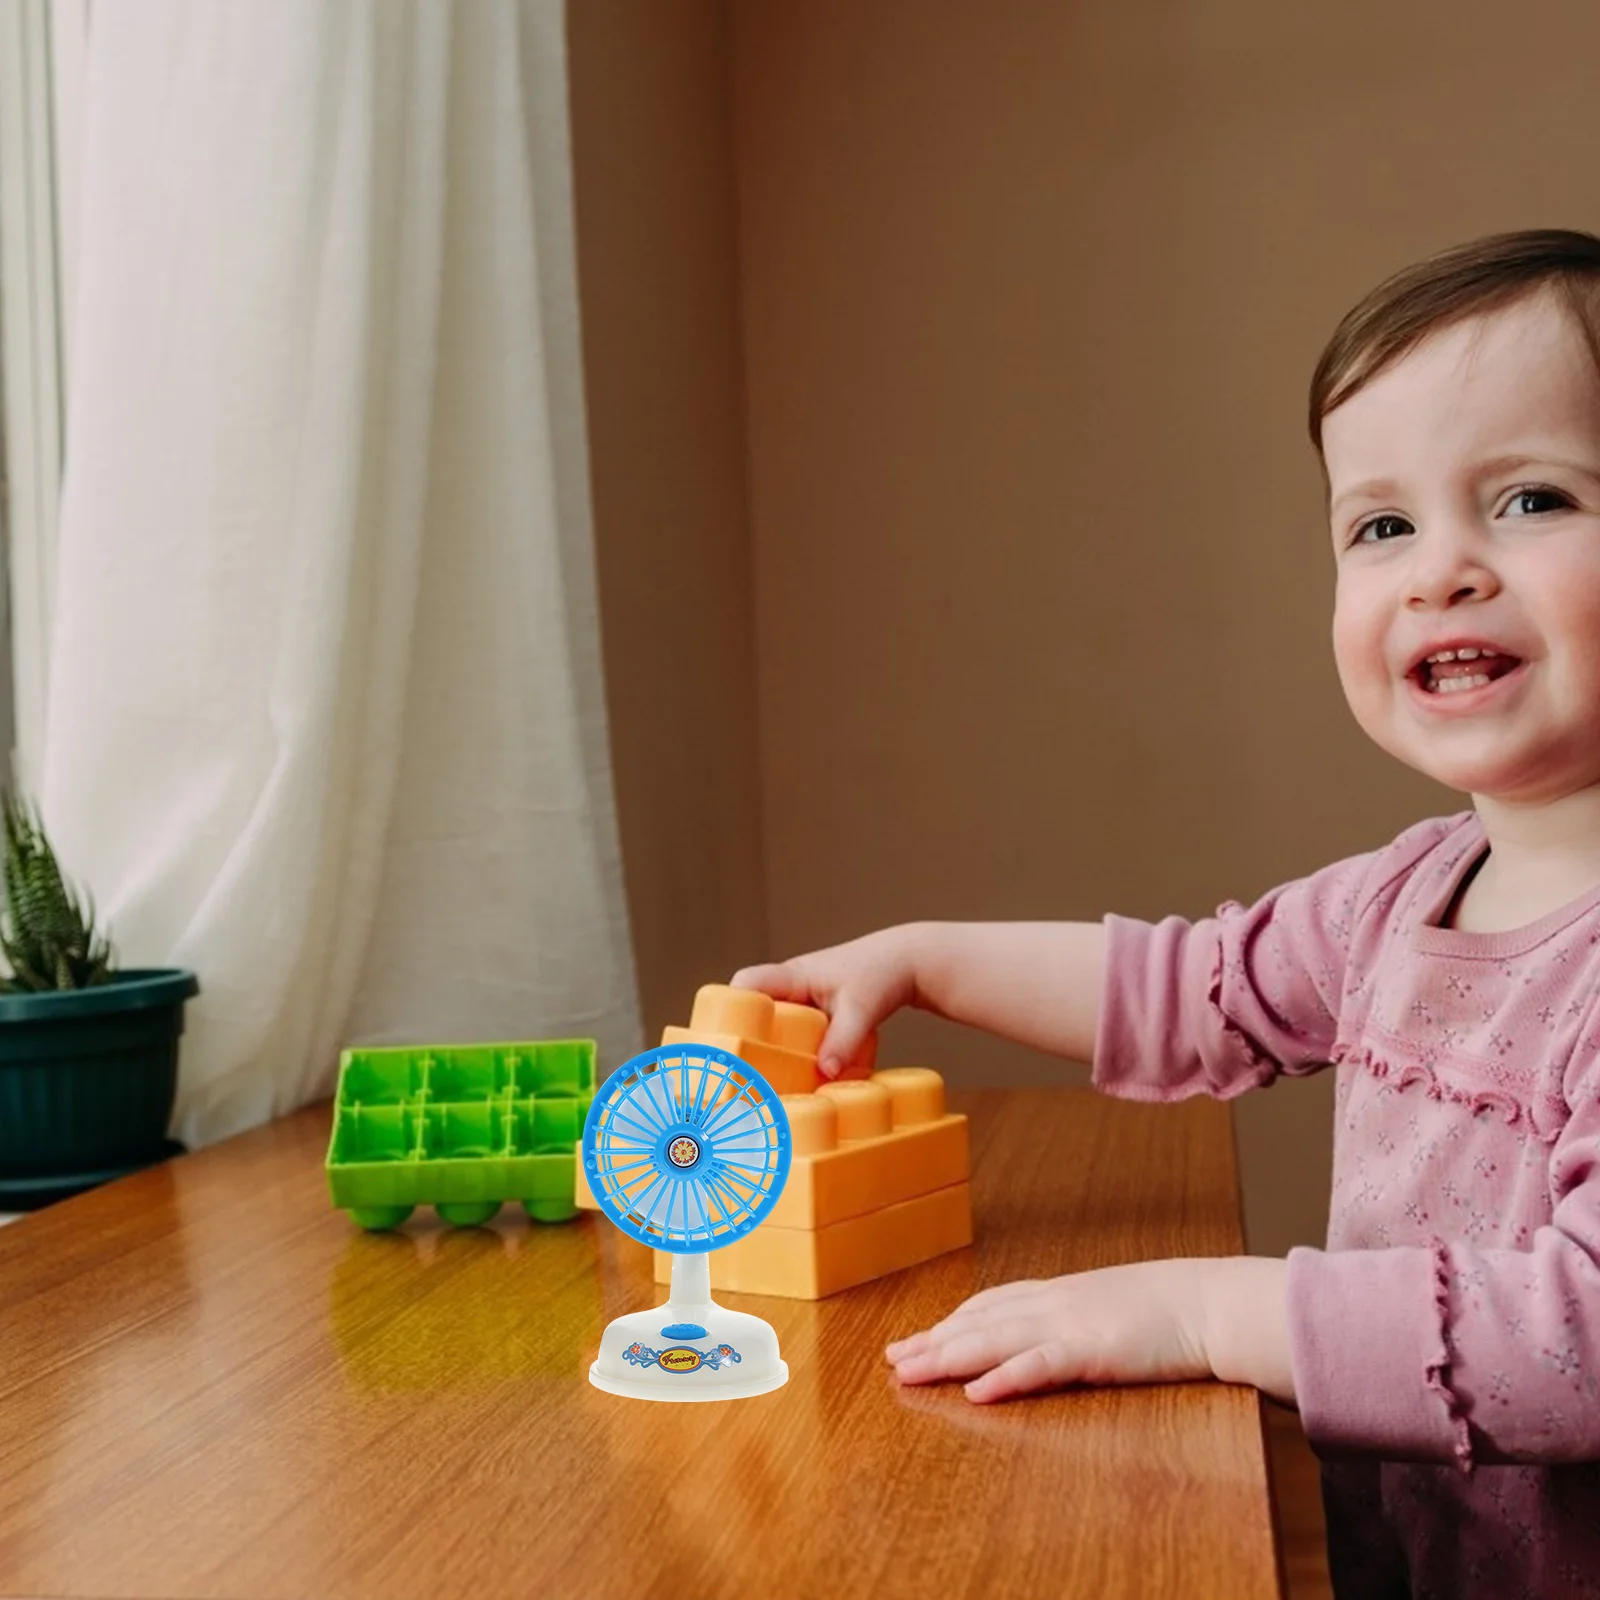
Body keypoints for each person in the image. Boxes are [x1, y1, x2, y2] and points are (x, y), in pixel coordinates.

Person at [731, 228, 1600, 1598]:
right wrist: (922, 960)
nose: (1441, 570)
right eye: (1382, 525)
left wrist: (1200, 1311)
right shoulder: (1402, 894)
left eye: (1533, 499)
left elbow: (1581, 1336)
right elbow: (1193, 987)